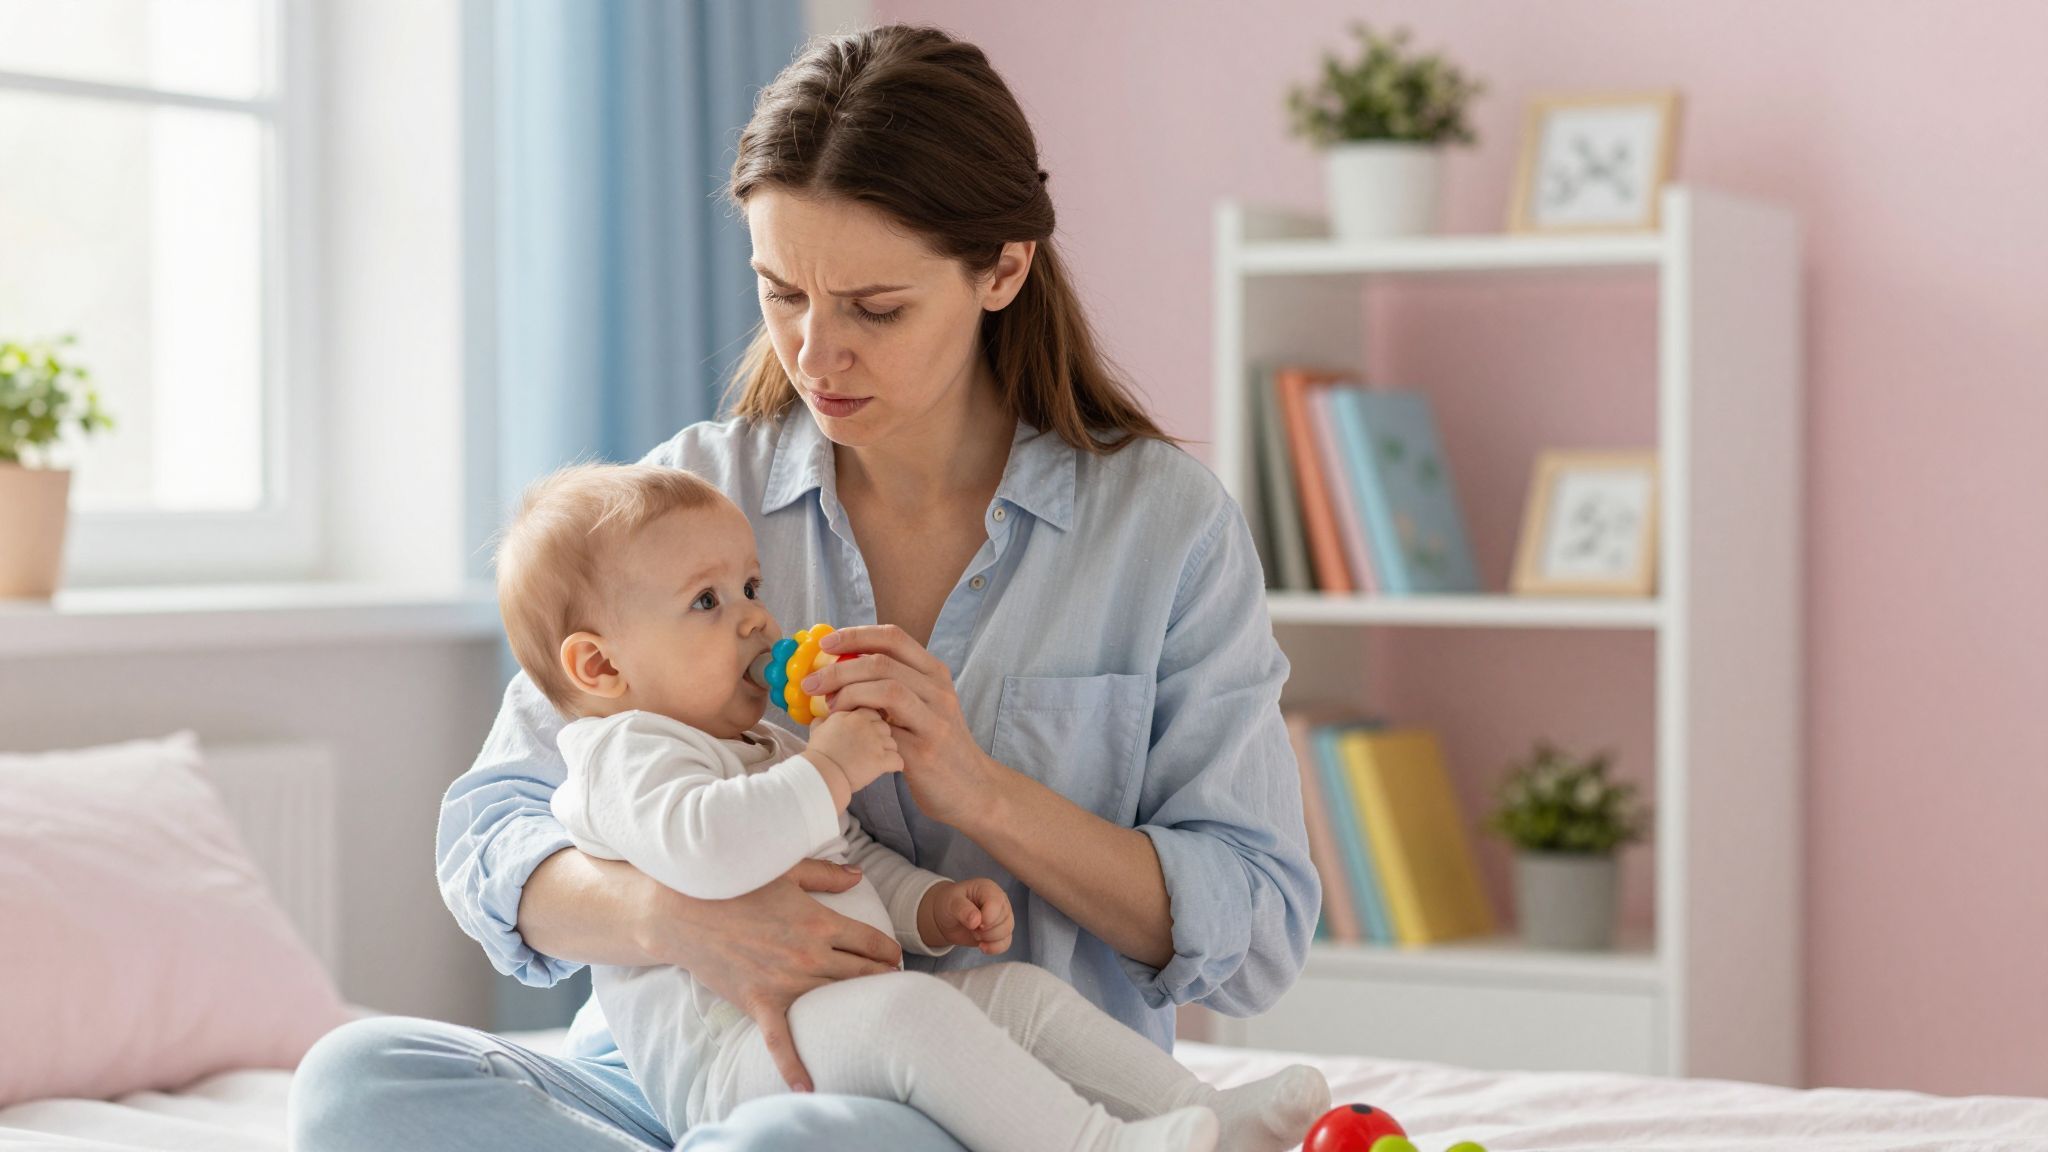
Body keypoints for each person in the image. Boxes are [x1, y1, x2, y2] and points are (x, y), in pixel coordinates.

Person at [289, 24, 1318, 1152]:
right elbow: (491, 833)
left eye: (874, 309)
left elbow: (1256, 926)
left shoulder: (1160, 525)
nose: (813, 354)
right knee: (357, 1081)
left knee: (798, 1146)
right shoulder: (687, 498)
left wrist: (975, 790)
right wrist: (682, 921)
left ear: (1002, 269)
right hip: (677, 1067)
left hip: (975, 1090)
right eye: (781, 294)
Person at [484, 462, 1327, 1152]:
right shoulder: (622, 754)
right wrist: (828, 768)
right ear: (599, 669)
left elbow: (847, 859)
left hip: (842, 1020)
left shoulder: (759, 747)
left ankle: (1205, 1115)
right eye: (708, 603)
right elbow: (706, 848)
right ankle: (1098, 1149)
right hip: (740, 1059)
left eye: (749, 585)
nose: (755, 620)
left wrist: (931, 910)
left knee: (1019, 996)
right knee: (912, 1014)